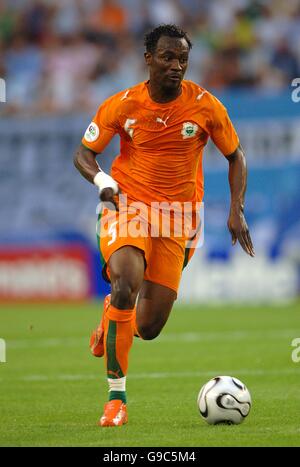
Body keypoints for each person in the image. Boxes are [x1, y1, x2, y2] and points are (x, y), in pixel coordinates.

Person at [74, 24, 255, 427]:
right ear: (149, 59)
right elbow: (85, 153)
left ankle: (112, 317)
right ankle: (116, 399)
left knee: (149, 327)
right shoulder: (122, 105)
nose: (177, 66)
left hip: (179, 219)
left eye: (184, 59)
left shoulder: (206, 106)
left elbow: (236, 156)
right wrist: (104, 181)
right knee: (125, 281)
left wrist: (236, 209)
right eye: (169, 57)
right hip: (129, 206)